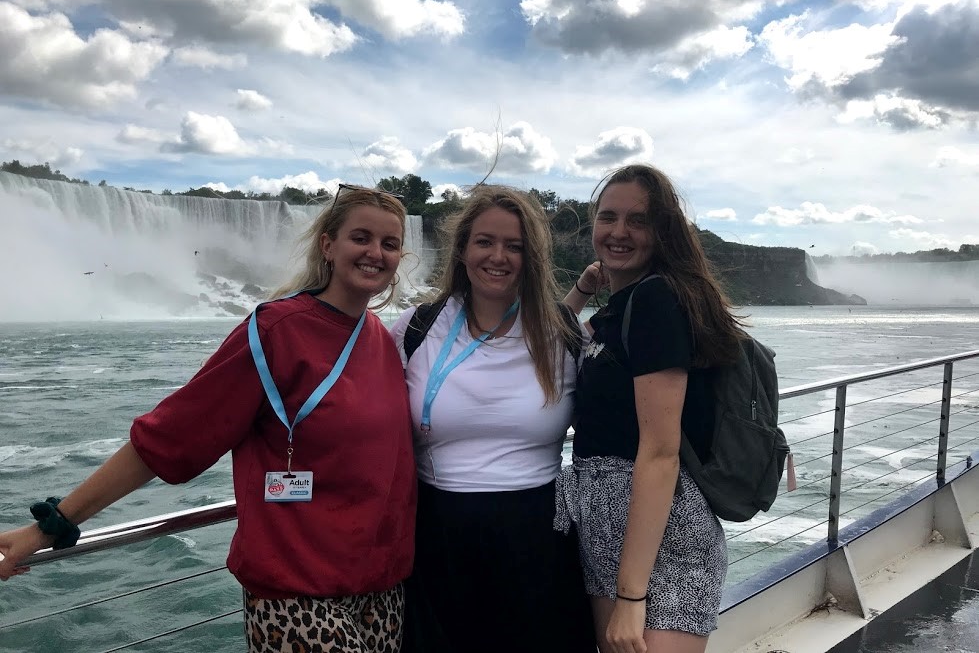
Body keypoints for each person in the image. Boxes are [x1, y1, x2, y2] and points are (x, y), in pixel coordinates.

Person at [0, 186, 417, 653]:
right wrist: (51, 524)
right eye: (360, 237)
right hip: (298, 591)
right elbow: (170, 438)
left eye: (389, 243)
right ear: (328, 244)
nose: (375, 253)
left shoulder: (382, 338)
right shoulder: (274, 332)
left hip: (380, 587)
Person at [389, 185, 595, 653]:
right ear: (462, 249)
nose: (497, 256)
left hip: (538, 539)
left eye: (514, 245)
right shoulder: (416, 329)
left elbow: (617, 428)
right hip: (437, 539)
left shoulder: (563, 335)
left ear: (532, 256)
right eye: (485, 241)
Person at [559, 164, 743, 653]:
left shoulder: (658, 301)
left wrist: (631, 594)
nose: (618, 232)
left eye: (637, 221)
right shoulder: (615, 311)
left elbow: (660, 452)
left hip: (659, 544)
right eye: (607, 217)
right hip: (606, 536)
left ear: (662, 231)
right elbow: (543, 339)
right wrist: (581, 289)